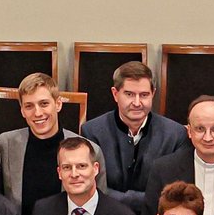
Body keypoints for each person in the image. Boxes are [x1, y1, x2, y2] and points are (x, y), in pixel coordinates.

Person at [0, 72, 108, 215]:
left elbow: (99, 210)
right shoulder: (6, 144)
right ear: (22, 111)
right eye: (29, 106)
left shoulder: (90, 150)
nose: (37, 112)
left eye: (44, 104)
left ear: (58, 104)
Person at [80, 61, 189, 207]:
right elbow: (91, 188)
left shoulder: (175, 135)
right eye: (129, 94)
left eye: (144, 95)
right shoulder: (92, 131)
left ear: (153, 94)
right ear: (115, 94)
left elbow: (174, 193)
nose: (137, 103)